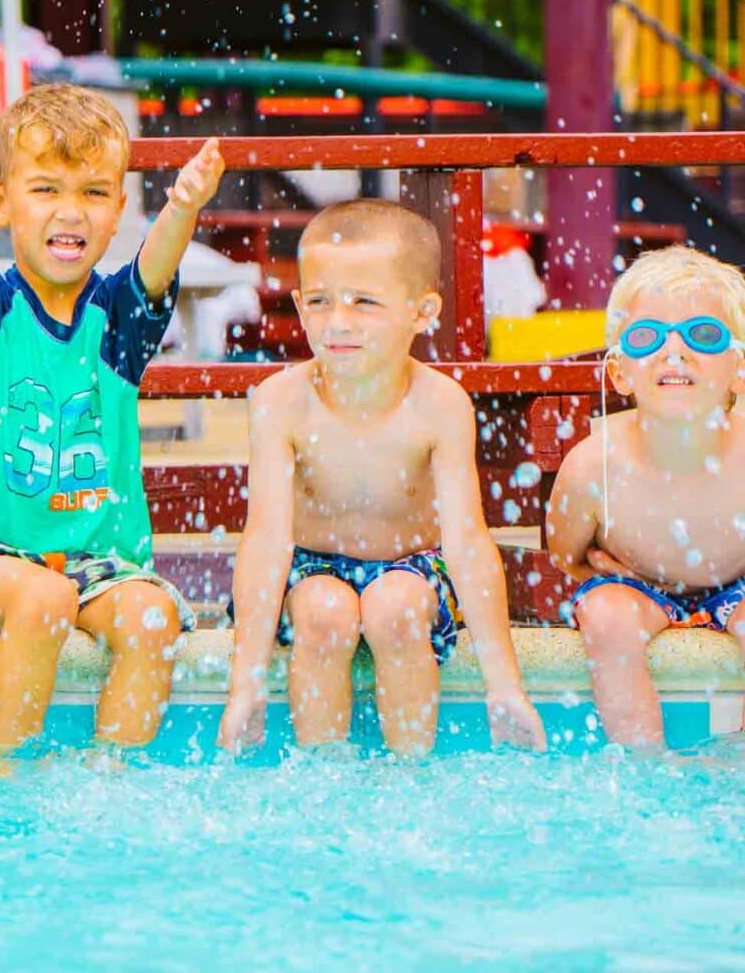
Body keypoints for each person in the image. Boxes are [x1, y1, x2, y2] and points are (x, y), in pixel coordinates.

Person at [0, 88, 217, 764]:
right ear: (2, 203)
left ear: (120, 209)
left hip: (101, 563)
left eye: (95, 192)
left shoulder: (118, 320)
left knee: (155, 618)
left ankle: (104, 775)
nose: (71, 211)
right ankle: (2, 773)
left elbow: (155, 270)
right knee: (43, 595)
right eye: (45, 189)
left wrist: (183, 205)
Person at [217, 200, 547, 755]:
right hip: (311, 568)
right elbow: (267, 539)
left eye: (364, 302)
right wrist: (244, 684)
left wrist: (505, 685)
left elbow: (467, 542)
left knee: (395, 607)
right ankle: (324, 776)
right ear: (298, 306)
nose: (337, 322)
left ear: (422, 312)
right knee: (324, 614)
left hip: (412, 569)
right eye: (319, 301)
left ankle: (410, 780)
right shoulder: (281, 401)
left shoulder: (440, 404)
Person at [547, 246, 745, 750]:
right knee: (608, 618)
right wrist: (598, 570)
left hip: (735, 587)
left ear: (738, 369)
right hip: (641, 590)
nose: (673, 351)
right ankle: (645, 767)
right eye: (646, 337)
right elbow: (565, 555)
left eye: (703, 335)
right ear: (619, 373)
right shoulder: (595, 465)